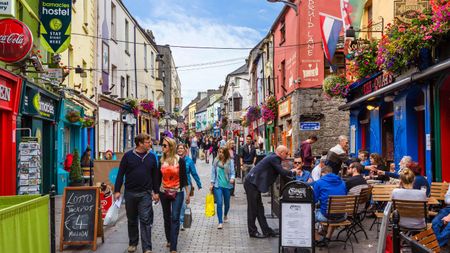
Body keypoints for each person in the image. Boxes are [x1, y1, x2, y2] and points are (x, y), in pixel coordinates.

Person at [114, 133, 161, 253]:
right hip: (130, 193)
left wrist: (156, 192)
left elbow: (155, 176)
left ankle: (147, 248)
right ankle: (133, 243)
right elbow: (120, 174)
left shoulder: (151, 157)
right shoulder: (128, 156)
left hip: (145, 193)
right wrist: (117, 190)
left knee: (145, 220)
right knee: (132, 219)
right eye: (147, 142)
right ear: (140, 143)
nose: (150, 144)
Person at [244, 145, 301, 238]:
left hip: (253, 183)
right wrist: (293, 172)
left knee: (259, 209)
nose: (287, 155)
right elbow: (282, 172)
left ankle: (266, 231)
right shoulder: (274, 158)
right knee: (253, 209)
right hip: (252, 183)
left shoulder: (272, 156)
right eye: (286, 153)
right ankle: (252, 231)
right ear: (281, 153)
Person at [159, 137, 189, 253]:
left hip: (177, 191)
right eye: (162, 145)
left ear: (171, 147)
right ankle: (169, 239)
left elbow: (184, 177)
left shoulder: (179, 160)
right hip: (163, 191)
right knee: (167, 217)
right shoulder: (161, 160)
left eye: (164, 145)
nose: (162, 147)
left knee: (175, 218)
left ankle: (173, 247)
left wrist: (187, 194)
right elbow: (157, 177)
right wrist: (155, 192)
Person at [313, 166, 347, 246]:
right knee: (333, 209)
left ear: (323, 173)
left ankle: (317, 240)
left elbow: (314, 200)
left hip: (327, 216)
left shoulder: (319, 182)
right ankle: (327, 238)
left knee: (310, 216)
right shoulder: (342, 182)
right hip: (342, 215)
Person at [177, 144, 202, 231]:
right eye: (178, 148)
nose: (180, 150)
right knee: (177, 204)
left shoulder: (189, 161)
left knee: (183, 204)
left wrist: (199, 184)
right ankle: (178, 219)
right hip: (176, 185)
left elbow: (194, 173)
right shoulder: (174, 159)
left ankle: (182, 221)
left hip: (186, 184)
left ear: (185, 150)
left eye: (181, 148)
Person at [210, 147, 236, 229]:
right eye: (219, 152)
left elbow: (232, 172)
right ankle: (220, 222)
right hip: (218, 185)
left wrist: (232, 178)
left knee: (227, 203)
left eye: (222, 152)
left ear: (225, 153)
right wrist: (212, 183)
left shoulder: (230, 161)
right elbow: (213, 172)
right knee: (219, 203)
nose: (220, 153)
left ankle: (225, 215)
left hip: (227, 185)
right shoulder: (216, 161)